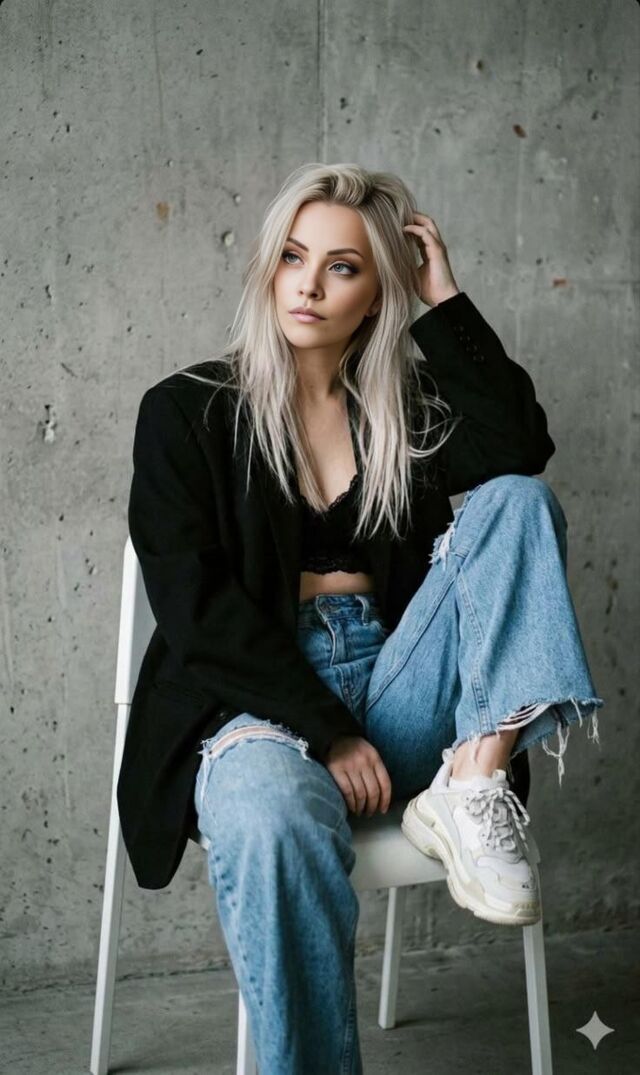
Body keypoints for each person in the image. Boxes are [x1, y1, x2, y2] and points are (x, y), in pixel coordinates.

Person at [117, 163, 604, 1074]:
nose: (307, 284)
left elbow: (518, 445)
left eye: (342, 267)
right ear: (269, 265)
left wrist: (443, 298)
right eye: (293, 256)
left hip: (397, 686)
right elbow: (197, 611)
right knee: (269, 818)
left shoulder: (401, 410)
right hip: (255, 703)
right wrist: (327, 730)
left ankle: (473, 779)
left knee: (519, 502)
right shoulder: (185, 411)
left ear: (377, 292)